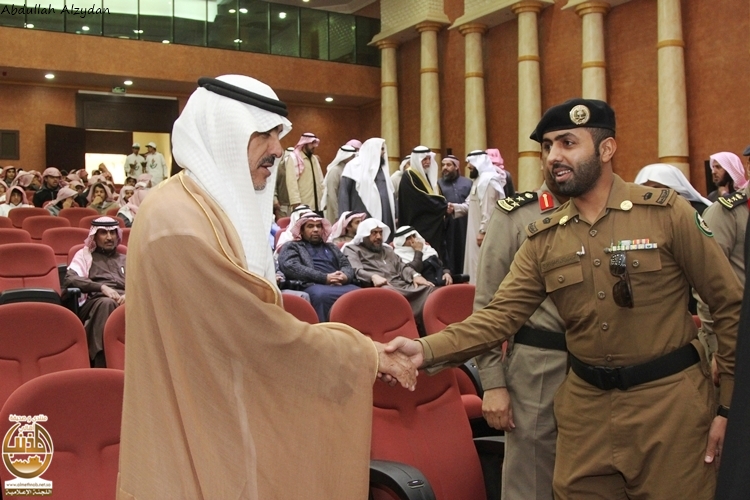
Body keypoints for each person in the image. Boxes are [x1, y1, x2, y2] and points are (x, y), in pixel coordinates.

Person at [387, 98, 741, 499]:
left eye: (568, 143)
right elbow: (498, 316)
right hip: (586, 416)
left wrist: (729, 407)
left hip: (669, 410)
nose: (553, 156)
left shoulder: (665, 213)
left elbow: (728, 304)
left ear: (606, 149)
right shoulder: (545, 236)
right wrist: (423, 349)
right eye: (547, 146)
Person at [117, 75, 417, 500]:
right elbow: (254, 332)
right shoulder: (178, 222)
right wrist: (364, 354)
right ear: (223, 134)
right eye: (264, 134)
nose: (278, 149)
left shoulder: (201, 207)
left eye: (279, 134)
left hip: (222, 415)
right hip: (196, 437)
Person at [474, 179, 567, 500]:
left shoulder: (605, 211)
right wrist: (493, 383)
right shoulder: (516, 215)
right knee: (531, 482)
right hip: (538, 366)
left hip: (598, 367)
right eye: (550, 152)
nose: (559, 157)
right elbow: (487, 307)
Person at [343, 218, 435, 320]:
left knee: (428, 288)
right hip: (380, 287)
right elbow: (356, 270)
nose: (378, 236)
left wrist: (415, 275)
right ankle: (404, 322)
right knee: (388, 293)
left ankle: (425, 322)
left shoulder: (387, 250)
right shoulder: (352, 249)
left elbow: (401, 266)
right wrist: (373, 276)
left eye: (380, 232)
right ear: (364, 234)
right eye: (374, 233)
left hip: (401, 284)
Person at [65, 217, 126, 367]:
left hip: (127, 299)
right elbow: (70, 279)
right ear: (95, 235)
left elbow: (142, 280)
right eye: (103, 233)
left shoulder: (125, 258)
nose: (109, 237)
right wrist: (101, 287)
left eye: (112, 233)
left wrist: (131, 294)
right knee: (107, 303)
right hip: (96, 301)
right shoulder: (84, 255)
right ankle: (103, 363)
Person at [278, 213, 360, 321]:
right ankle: (324, 329)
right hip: (311, 284)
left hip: (338, 283)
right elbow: (291, 267)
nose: (316, 229)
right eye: (310, 226)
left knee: (359, 293)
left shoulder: (331, 247)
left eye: (318, 226)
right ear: (301, 231)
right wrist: (324, 278)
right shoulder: (292, 246)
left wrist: (345, 276)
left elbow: (346, 265)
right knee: (321, 296)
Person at [453, 150, 507, 284]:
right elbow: (470, 204)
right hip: (474, 231)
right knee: (474, 265)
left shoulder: (488, 181)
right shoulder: (479, 181)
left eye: (470, 163)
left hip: (483, 233)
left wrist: (483, 231)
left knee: (481, 266)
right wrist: (454, 208)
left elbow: (490, 209)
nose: (468, 166)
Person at [398, 146, 449, 261]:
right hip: (420, 226)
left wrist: (443, 206)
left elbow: (437, 195)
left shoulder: (427, 176)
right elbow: (421, 199)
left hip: (434, 225)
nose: (427, 162)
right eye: (424, 159)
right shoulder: (409, 176)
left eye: (429, 159)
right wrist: (443, 206)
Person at [339, 137, 396, 237]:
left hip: (385, 215)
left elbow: (390, 192)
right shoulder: (353, 167)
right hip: (362, 213)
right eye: (381, 149)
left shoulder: (382, 169)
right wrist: (345, 219)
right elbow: (344, 195)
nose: (384, 152)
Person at [437, 154, 472, 274]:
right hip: (447, 224)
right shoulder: (438, 184)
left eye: (448, 165)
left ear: (456, 167)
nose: (445, 168)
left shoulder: (468, 183)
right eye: (443, 165)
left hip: (464, 223)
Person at [635, 162, 712, 214]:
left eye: (655, 188)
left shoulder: (698, 211)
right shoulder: (640, 214)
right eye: (644, 188)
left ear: (673, 190)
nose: (649, 193)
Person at [284, 132, 324, 213]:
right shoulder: (294, 158)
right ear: (305, 144)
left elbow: (321, 180)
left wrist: (323, 199)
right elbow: (291, 182)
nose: (314, 146)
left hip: (317, 205)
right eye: (312, 143)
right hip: (302, 206)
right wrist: (295, 201)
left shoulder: (314, 159)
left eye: (315, 143)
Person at [322, 144, 356, 223]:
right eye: (352, 156)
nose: (353, 158)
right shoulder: (335, 170)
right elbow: (332, 194)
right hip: (335, 209)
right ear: (345, 156)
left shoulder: (349, 169)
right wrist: (337, 213)